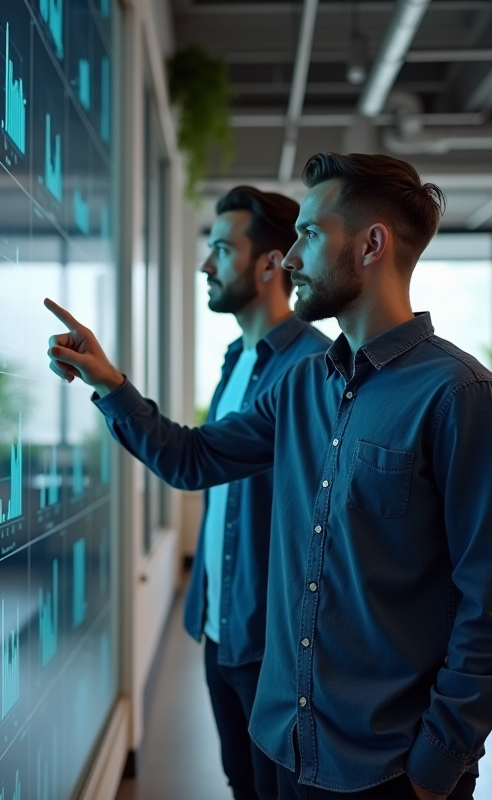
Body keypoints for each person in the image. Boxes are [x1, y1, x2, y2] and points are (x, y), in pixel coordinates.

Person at [43, 153, 492, 800]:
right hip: (282, 738)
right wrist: (111, 386)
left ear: (372, 245)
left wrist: (437, 763)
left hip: (387, 766)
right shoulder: (302, 384)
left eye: (309, 235)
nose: (292, 259)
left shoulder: (460, 397)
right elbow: (196, 458)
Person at [191, 187, 331, 800]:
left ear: (272, 263)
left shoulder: (314, 367)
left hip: (272, 643)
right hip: (220, 626)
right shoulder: (235, 359)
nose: (206, 265)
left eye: (223, 249)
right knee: (241, 784)